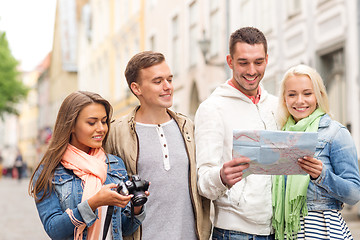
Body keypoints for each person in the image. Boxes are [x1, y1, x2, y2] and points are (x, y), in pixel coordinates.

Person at [105, 51, 211, 240]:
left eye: (169, 79)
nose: (168, 86)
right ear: (137, 88)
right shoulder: (116, 133)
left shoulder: (188, 127)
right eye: (158, 81)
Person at [195, 27, 278, 239]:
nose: (251, 70)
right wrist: (221, 177)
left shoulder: (277, 106)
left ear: (267, 59)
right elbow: (203, 181)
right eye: (243, 62)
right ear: (230, 62)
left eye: (258, 62)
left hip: (276, 229)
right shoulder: (212, 108)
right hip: (235, 232)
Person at [28, 91, 146, 240]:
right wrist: (93, 203)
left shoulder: (114, 164)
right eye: (92, 122)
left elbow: (125, 228)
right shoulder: (49, 171)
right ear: (71, 126)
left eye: (104, 121)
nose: (101, 128)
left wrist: (137, 205)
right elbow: (54, 230)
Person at [272, 64, 360, 239]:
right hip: (288, 232)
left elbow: (354, 194)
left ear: (318, 96)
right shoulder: (279, 135)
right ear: (284, 98)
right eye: (292, 94)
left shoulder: (336, 132)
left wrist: (322, 175)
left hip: (323, 231)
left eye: (307, 93)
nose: (299, 100)